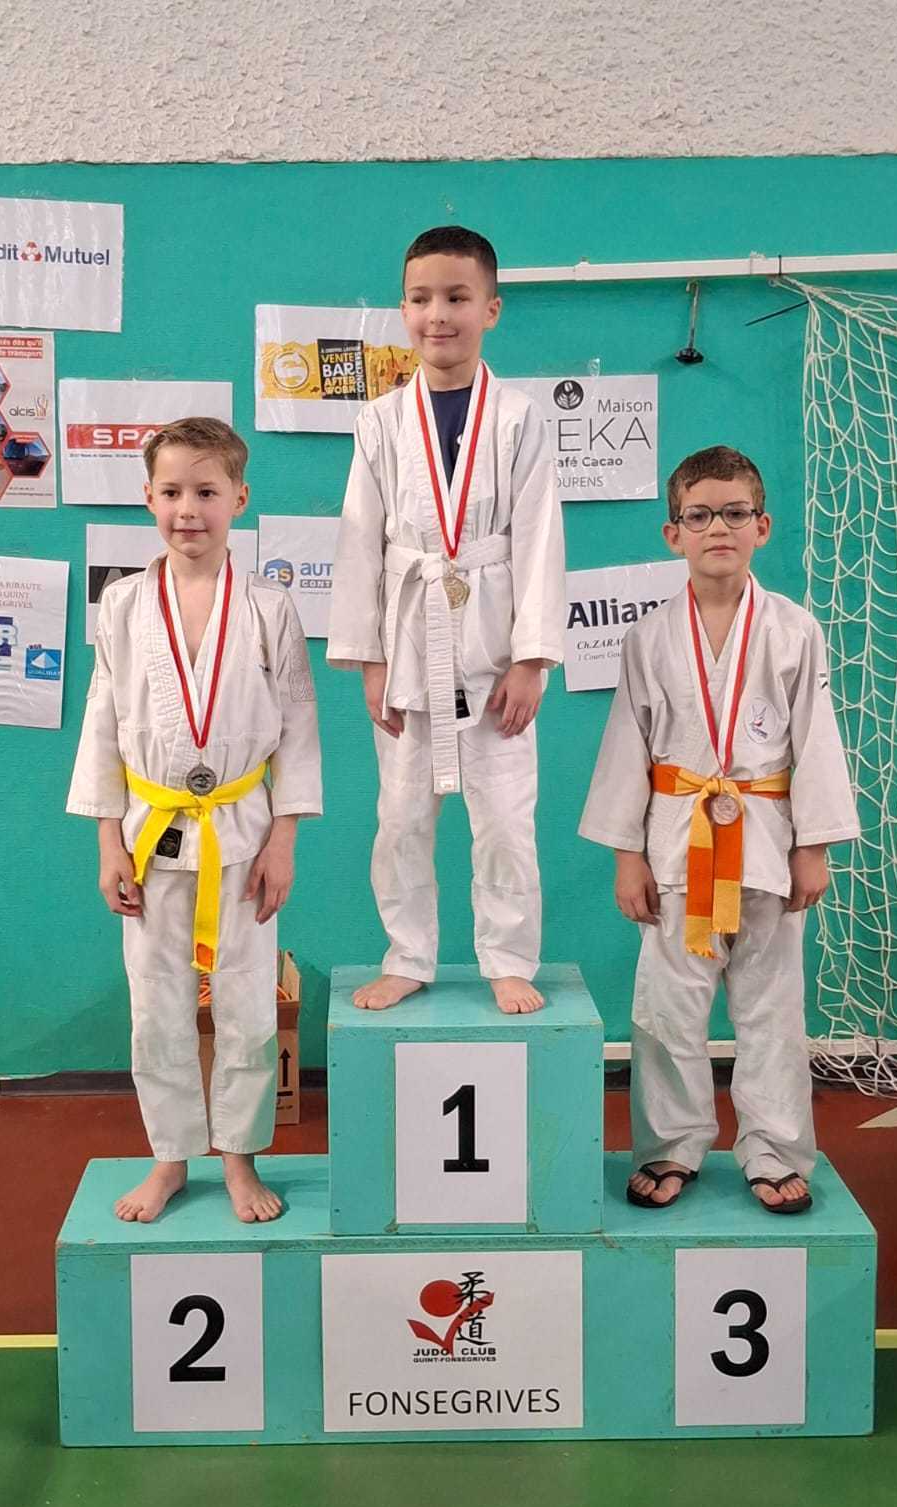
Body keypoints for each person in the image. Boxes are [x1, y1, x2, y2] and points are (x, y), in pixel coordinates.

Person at [579, 445, 859, 1211]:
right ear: (674, 533)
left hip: (767, 839)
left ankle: (773, 1149)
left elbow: (817, 739)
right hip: (676, 844)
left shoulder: (795, 630)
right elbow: (627, 748)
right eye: (699, 515)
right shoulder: (647, 636)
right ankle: (672, 1146)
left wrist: (813, 846)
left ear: (762, 526)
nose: (718, 529)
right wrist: (627, 856)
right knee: (666, 1010)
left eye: (735, 513)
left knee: (771, 1009)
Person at [67, 416, 322, 1225]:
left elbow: (298, 727)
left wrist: (284, 839)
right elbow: (102, 724)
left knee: (247, 1005)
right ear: (147, 497)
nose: (189, 509)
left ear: (239, 499)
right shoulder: (122, 605)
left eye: (207, 492)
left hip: (243, 834)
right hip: (149, 833)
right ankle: (171, 1158)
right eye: (172, 491)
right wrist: (107, 841)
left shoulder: (270, 607)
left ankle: (239, 1159)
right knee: (156, 1006)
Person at [327, 226, 565, 1015]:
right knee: (400, 818)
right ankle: (408, 955)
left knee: (505, 823)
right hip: (408, 643)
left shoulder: (521, 418)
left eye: (458, 297)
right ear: (403, 310)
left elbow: (539, 539)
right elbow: (360, 540)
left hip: (496, 655)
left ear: (490, 308)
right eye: (422, 298)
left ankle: (508, 957)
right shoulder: (380, 421)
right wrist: (368, 658)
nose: (440, 314)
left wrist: (532, 659)